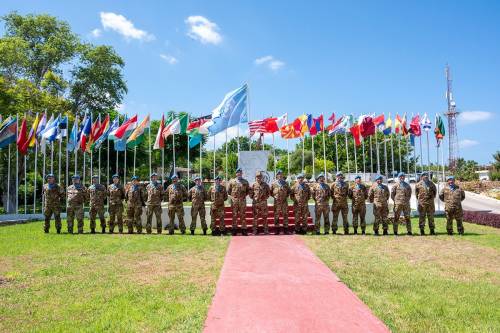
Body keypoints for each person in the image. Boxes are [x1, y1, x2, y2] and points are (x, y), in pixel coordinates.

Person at [228, 168, 251, 236]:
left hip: (242, 201)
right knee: (234, 215)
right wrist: (234, 197)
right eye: (238, 173)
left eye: (240, 172)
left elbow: (247, 191)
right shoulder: (232, 181)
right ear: (236, 173)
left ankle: (244, 230)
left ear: (242, 173)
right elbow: (229, 191)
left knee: (243, 215)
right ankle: (234, 230)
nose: (239, 174)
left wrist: (242, 197)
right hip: (234, 201)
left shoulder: (245, 182)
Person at [271, 170, 291, 234]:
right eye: (278, 174)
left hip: (284, 202)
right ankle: (277, 229)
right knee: (276, 215)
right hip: (277, 202)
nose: (280, 176)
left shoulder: (286, 183)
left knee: (285, 215)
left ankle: (285, 229)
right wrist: (275, 197)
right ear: (277, 176)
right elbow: (271, 192)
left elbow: (289, 191)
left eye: (281, 174)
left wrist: (285, 197)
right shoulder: (273, 183)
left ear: (282, 175)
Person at [250, 171, 271, 235]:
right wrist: (254, 198)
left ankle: (265, 230)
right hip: (255, 203)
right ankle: (255, 230)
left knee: (264, 217)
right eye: (257, 177)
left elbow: (268, 193)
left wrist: (264, 199)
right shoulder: (253, 185)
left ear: (262, 177)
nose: (258, 178)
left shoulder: (265, 185)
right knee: (255, 217)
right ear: (255, 178)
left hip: (263, 203)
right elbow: (250, 194)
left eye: (260, 177)